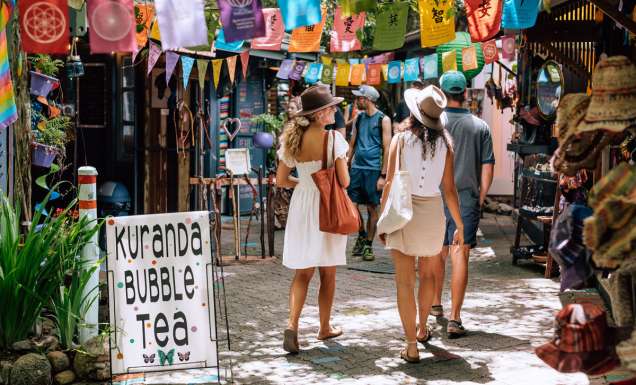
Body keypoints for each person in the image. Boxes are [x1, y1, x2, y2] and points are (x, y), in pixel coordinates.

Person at [380, 85, 464, 363]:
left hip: (404, 209)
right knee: (429, 276)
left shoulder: (400, 139)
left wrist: (382, 220)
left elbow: (390, 182)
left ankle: (411, 345)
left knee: (405, 282)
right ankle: (422, 328)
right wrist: (460, 225)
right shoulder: (446, 144)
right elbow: (449, 189)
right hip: (432, 212)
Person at [276, 85, 350, 354]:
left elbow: (282, 180)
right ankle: (324, 327)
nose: (334, 110)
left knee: (302, 272)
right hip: (326, 206)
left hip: (302, 205)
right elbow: (344, 181)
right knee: (327, 272)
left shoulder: (292, 140)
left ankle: (292, 325)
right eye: (330, 107)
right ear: (319, 114)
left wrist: (305, 183)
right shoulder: (334, 140)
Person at [427, 71, 495, 338]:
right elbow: (487, 168)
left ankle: (435, 305)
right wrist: (480, 198)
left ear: (443, 95)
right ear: (465, 93)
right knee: (460, 254)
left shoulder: (432, 123)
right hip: (466, 198)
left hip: (433, 196)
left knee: (436, 252)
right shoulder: (480, 126)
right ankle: (455, 319)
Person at [348, 85, 392, 261]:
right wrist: (347, 162)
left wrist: (383, 175)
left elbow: (387, 148)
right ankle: (361, 233)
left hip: (373, 169)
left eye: (360, 98)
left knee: (373, 208)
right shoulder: (359, 118)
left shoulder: (384, 119)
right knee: (351, 205)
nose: (357, 101)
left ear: (368, 100)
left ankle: (368, 244)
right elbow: (352, 143)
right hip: (357, 168)